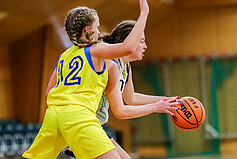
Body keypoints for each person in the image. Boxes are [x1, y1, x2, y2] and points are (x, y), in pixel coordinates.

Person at [22, 0, 150, 158]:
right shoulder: (95, 50)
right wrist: (144, 13)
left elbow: (49, 92)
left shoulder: (65, 56)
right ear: (87, 30)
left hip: (54, 116)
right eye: (96, 28)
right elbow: (127, 48)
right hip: (80, 117)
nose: (98, 33)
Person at [64, 20, 180, 159]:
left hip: (94, 126)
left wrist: (164, 100)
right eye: (141, 41)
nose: (145, 46)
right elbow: (120, 111)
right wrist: (156, 107)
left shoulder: (125, 65)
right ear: (129, 41)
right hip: (82, 124)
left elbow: (131, 98)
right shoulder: (110, 63)